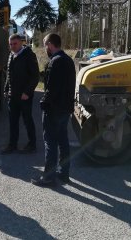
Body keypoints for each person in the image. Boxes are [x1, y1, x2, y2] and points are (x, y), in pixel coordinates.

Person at [31, 33, 76, 187]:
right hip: (65, 109)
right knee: (63, 141)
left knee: (50, 142)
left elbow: (52, 89)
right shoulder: (68, 60)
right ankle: (64, 173)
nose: (45, 49)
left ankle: (49, 178)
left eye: (45, 45)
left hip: (54, 109)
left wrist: (44, 102)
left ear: (50, 44)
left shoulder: (55, 62)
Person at [1, 33, 40, 154]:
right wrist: (6, 90)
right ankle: (12, 145)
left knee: (27, 120)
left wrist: (27, 92)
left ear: (21, 43)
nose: (12, 46)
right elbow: (8, 74)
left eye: (15, 44)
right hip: (12, 96)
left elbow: (35, 76)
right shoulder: (11, 55)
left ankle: (32, 144)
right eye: (10, 44)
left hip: (24, 96)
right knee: (13, 121)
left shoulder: (29, 55)